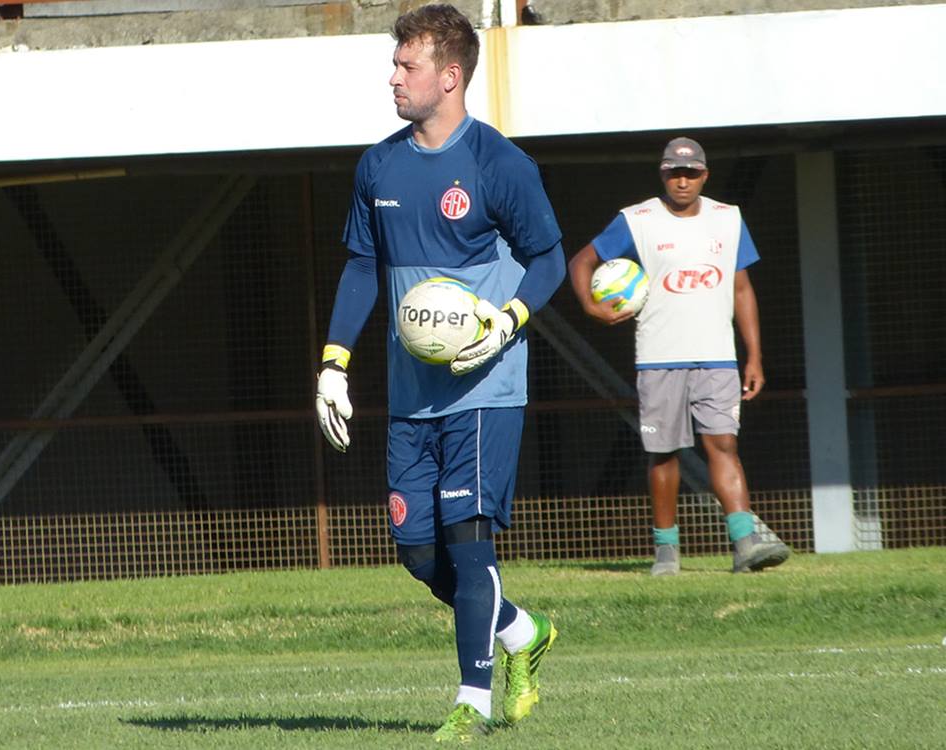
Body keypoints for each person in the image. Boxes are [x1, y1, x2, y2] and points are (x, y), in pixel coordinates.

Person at [314, 4, 565, 742]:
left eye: (407, 65)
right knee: (419, 555)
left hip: (487, 388)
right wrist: (334, 363)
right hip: (411, 398)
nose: (393, 76)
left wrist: (507, 322)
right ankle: (523, 631)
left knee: (468, 539)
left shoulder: (499, 164)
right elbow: (364, 267)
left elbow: (548, 258)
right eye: (396, 63)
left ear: (449, 77)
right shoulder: (379, 165)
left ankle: (472, 701)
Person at [568, 137, 790, 576]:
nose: (682, 180)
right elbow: (581, 261)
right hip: (658, 356)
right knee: (664, 453)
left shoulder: (728, 219)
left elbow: (741, 289)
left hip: (717, 357)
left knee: (723, 444)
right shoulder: (638, 219)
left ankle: (745, 544)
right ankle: (666, 553)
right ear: (663, 174)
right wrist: (591, 307)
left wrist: (754, 356)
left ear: (705, 175)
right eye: (674, 172)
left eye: (690, 173)